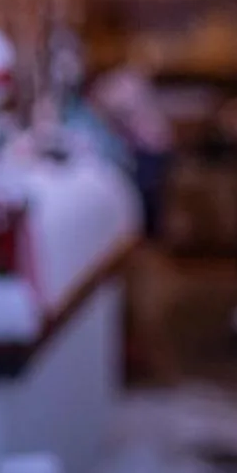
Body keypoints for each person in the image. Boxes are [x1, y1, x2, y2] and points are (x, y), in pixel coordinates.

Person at [89, 64, 176, 382]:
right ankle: (144, 356)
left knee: (143, 294)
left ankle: (144, 357)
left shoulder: (142, 143)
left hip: (140, 238)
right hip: (141, 233)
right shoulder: (146, 138)